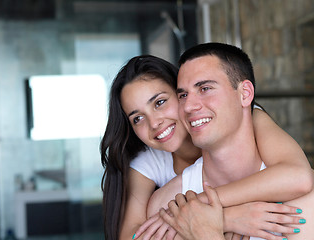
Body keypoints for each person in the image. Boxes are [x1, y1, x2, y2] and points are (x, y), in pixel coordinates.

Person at [100, 55, 312, 240]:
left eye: (160, 103)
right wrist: (224, 219)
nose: (154, 122)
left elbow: (298, 176)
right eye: (137, 118)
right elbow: (131, 236)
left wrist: (197, 207)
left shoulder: (244, 116)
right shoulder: (151, 167)